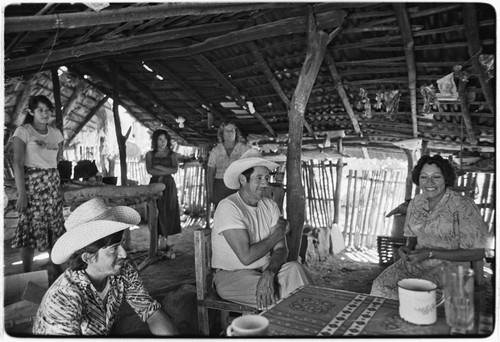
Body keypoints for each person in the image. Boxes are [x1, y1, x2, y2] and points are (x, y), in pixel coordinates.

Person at [33, 198, 179, 336]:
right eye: (113, 249)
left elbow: (150, 312)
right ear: (88, 257)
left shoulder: (123, 271)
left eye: (121, 244)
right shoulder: (63, 299)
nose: (123, 254)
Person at [370, 154, 489, 299]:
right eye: (424, 177)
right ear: (418, 179)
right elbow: (413, 236)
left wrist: (431, 253)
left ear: (446, 179)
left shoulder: (463, 206)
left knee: (417, 297)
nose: (429, 182)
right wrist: (408, 248)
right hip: (417, 263)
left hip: (450, 268)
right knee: (380, 286)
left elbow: (477, 253)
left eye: (436, 177)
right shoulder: (416, 203)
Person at [211, 150, 312, 310]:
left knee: (295, 269)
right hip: (232, 277)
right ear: (243, 179)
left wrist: (270, 272)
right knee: (286, 294)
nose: (265, 184)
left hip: (265, 271)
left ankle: (306, 318)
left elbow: (281, 249)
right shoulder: (228, 207)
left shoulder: (269, 206)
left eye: (266, 178)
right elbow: (246, 257)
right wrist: (278, 233)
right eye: (259, 178)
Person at [11, 95, 65, 274]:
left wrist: (53, 182)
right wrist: (22, 194)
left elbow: (57, 161)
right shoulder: (23, 131)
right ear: (31, 112)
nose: (45, 113)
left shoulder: (56, 133)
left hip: (52, 185)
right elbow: (17, 163)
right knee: (29, 228)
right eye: (40, 110)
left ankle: (57, 268)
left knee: (54, 228)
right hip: (32, 186)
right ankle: (27, 272)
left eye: (47, 110)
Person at [145, 128, 181, 250]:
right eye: (160, 139)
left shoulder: (172, 155)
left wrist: (159, 166)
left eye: (165, 139)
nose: (163, 142)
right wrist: (166, 169)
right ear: (155, 141)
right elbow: (150, 170)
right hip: (154, 184)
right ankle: (156, 239)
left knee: (167, 210)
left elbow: (174, 170)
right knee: (155, 210)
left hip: (169, 185)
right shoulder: (149, 154)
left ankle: (165, 240)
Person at [207, 121, 250, 209]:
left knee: (238, 214)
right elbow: (210, 173)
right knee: (222, 213)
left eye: (232, 130)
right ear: (222, 133)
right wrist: (210, 193)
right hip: (220, 187)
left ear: (236, 133)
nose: (230, 133)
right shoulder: (216, 151)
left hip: (238, 186)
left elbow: (249, 170)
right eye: (227, 130)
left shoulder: (244, 149)